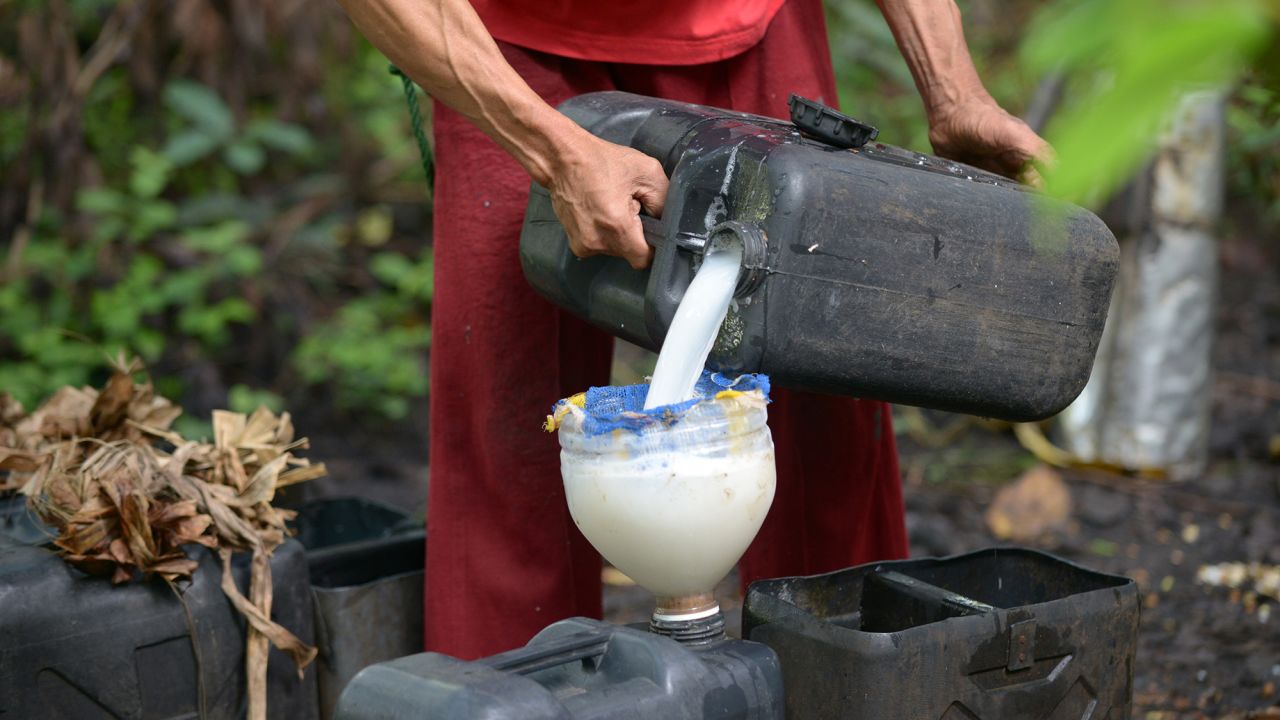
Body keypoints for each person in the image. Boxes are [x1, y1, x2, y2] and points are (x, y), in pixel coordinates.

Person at [336, 0, 1050, 659]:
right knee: (510, 418)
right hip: (499, 39)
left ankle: (846, 680)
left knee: (819, 378)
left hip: (744, 20)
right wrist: (553, 150)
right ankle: (507, 689)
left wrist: (954, 90)